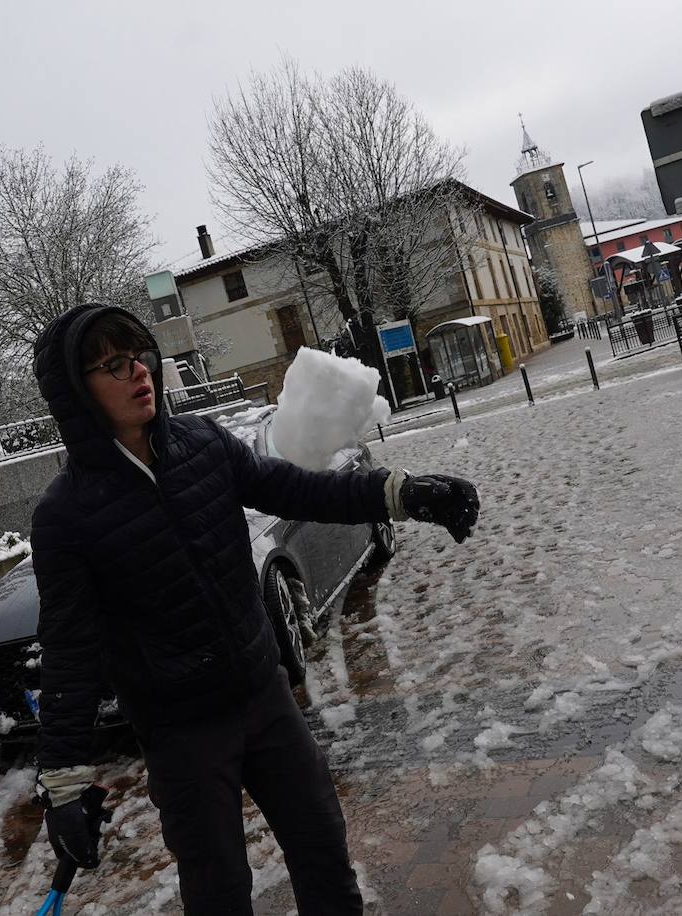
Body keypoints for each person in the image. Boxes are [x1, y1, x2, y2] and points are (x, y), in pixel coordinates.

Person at [30, 303, 479, 914]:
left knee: (322, 847)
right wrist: (63, 784)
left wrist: (400, 493)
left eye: (140, 355)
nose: (140, 372)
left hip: (262, 696)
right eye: (112, 365)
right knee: (219, 895)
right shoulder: (66, 516)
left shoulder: (203, 444)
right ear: (76, 394)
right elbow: (69, 649)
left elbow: (297, 487)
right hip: (181, 734)